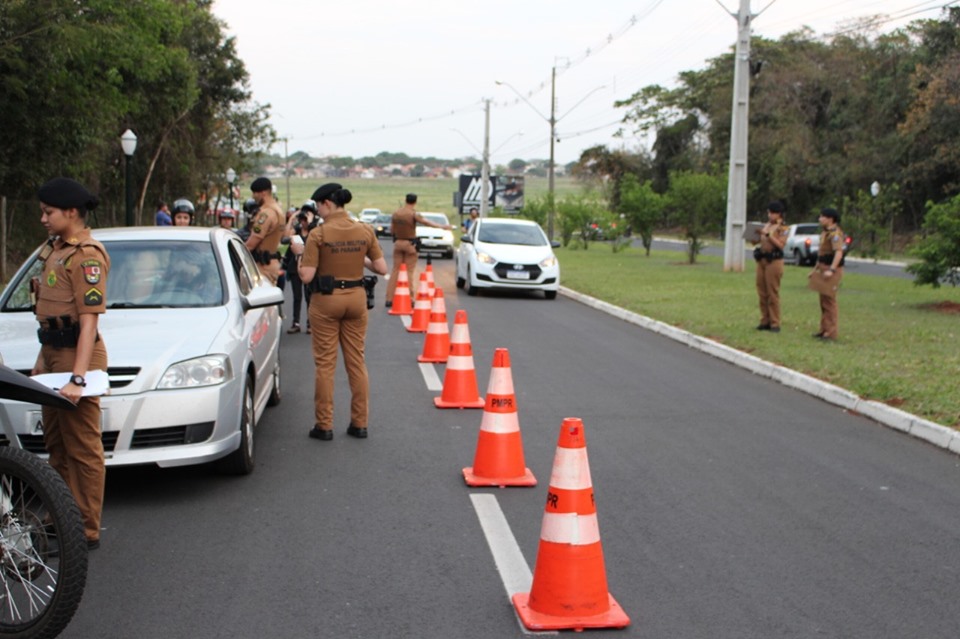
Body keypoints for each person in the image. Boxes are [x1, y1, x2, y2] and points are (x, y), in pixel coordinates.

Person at [31, 177, 109, 550]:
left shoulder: (86, 255)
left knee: (82, 446)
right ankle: (60, 516)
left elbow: (88, 320)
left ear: (72, 212)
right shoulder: (55, 250)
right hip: (52, 355)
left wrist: (78, 377)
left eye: (49, 212)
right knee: (57, 444)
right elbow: (49, 316)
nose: (43, 218)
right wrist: (40, 362)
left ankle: (85, 526)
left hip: (77, 357)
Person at [290, 183, 387, 440]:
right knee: (356, 363)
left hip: (326, 301)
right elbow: (381, 267)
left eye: (319, 206)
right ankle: (360, 424)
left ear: (327, 204)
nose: (318, 211)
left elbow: (307, 276)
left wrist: (299, 254)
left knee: (325, 365)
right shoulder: (364, 230)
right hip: (356, 299)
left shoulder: (318, 235)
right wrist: (359, 257)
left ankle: (324, 425)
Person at [384, 193, 453, 308]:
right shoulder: (413, 214)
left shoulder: (396, 214)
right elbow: (427, 223)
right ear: (415, 202)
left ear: (405, 200)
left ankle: (389, 298)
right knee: (409, 272)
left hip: (398, 243)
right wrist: (443, 227)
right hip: (410, 244)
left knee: (395, 270)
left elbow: (392, 230)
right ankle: (410, 298)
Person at [752, 201, 789, 332]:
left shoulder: (783, 228)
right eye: (768, 212)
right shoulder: (766, 225)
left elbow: (780, 245)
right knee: (762, 291)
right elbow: (756, 241)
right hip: (762, 259)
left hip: (774, 260)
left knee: (772, 292)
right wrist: (754, 234)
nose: (770, 215)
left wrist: (768, 235)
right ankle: (764, 320)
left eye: (772, 212)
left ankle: (775, 322)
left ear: (779, 214)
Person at [283, 200, 319, 334]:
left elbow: (317, 237)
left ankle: (310, 323)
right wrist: (292, 218)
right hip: (294, 268)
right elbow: (285, 238)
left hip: (309, 266)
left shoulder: (314, 231)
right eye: (302, 218)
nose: (303, 221)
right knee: (297, 297)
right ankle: (296, 322)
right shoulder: (296, 231)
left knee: (309, 297)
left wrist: (311, 222)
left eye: (306, 218)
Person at [812, 207, 845, 340]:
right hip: (823, 266)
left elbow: (838, 252)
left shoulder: (835, 233)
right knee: (823, 300)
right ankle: (824, 329)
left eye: (822, 217)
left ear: (830, 219)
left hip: (831, 268)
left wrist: (832, 269)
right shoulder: (825, 233)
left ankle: (831, 332)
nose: (820, 219)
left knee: (830, 300)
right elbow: (821, 253)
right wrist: (815, 270)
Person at [245, 177, 285, 285]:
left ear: (263, 193)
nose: (253, 196)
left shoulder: (266, 213)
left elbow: (252, 243)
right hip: (272, 263)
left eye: (255, 193)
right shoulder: (279, 210)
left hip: (263, 266)